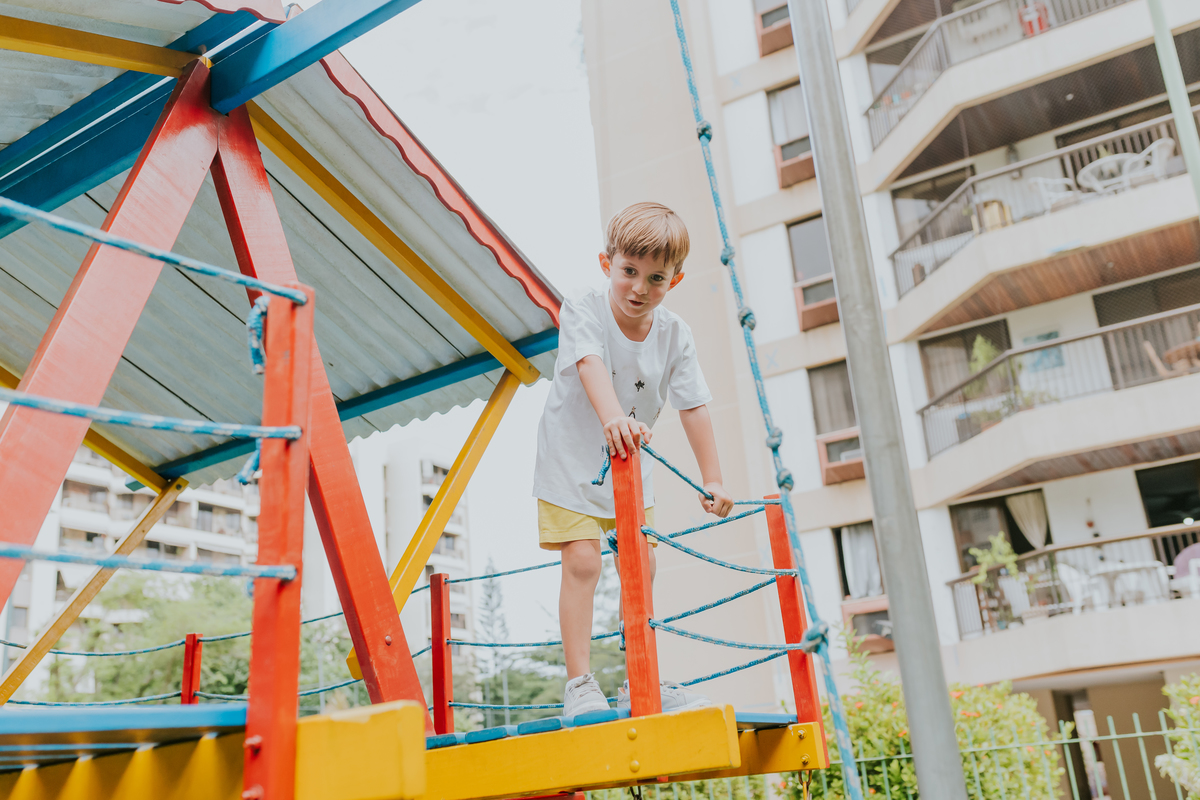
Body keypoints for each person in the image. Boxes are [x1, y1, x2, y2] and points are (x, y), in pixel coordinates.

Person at [533, 201, 735, 717]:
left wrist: (712, 478)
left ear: (675, 280)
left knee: (640, 566)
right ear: (607, 264)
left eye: (656, 278)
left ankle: (639, 679)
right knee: (582, 560)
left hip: (629, 471)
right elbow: (589, 362)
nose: (639, 288)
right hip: (571, 462)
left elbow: (694, 406)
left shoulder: (674, 334)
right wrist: (613, 418)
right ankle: (579, 685)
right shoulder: (584, 306)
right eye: (629, 271)